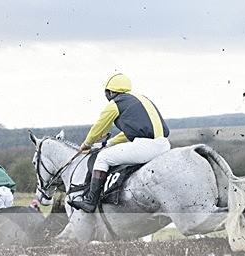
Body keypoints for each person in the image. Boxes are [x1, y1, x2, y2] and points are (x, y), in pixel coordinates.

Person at [69, 73, 171, 213]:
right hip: (164, 145)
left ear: (110, 92)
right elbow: (131, 132)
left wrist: (86, 144)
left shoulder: (115, 104)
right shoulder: (142, 99)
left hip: (146, 147)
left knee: (103, 157)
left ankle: (91, 201)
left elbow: (98, 128)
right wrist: (109, 143)